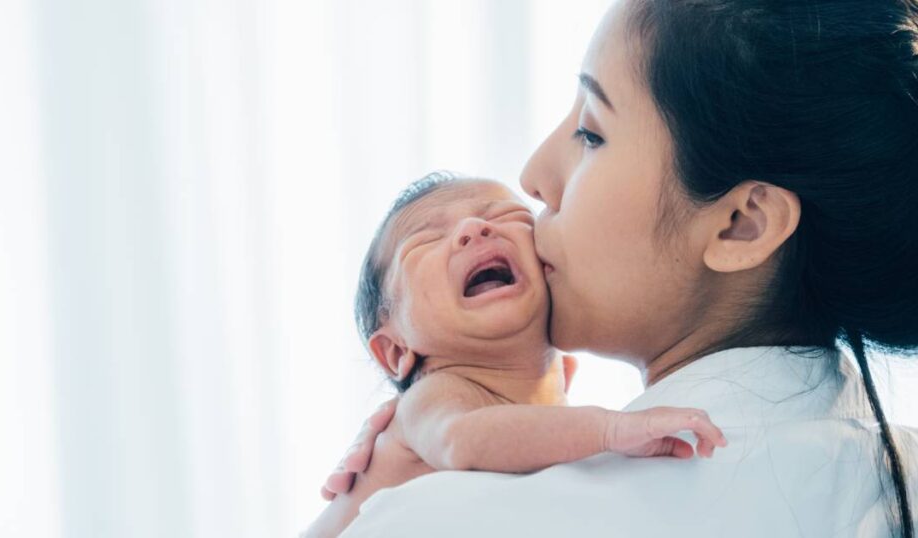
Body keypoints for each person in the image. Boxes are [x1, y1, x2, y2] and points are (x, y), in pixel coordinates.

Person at [323, 1, 918, 536]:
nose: (533, 178)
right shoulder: (892, 482)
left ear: (742, 224)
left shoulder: (440, 519)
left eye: (591, 133)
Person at [304, 173, 727, 537]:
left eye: (501, 215)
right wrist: (612, 430)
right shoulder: (433, 399)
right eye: (427, 238)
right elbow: (464, 439)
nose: (474, 228)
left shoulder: (547, 419)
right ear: (396, 350)